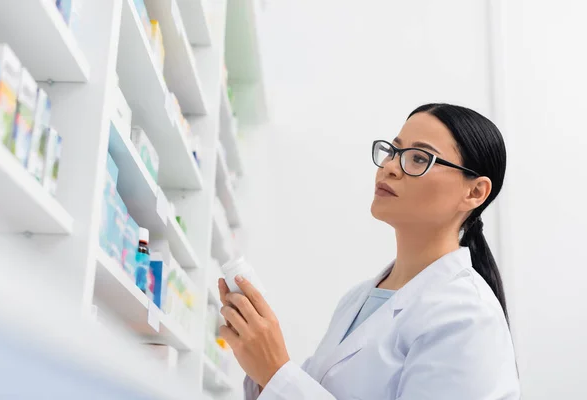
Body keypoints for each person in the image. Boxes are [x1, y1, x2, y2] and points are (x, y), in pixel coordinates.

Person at [218, 103, 521, 399]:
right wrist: (261, 367)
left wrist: (275, 373)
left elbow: (290, 385)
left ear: (474, 192)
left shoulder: (467, 317)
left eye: (418, 158)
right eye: (393, 151)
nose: (389, 167)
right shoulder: (358, 299)